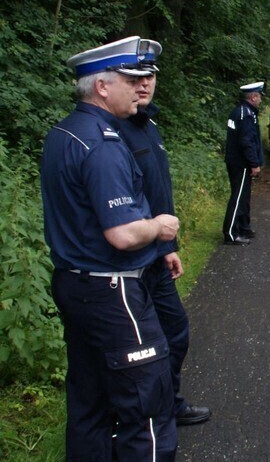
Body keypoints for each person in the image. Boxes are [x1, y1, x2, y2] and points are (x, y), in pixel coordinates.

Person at [41, 36, 179, 460]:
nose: (141, 87)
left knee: (91, 403)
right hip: (112, 291)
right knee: (148, 404)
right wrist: (158, 226)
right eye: (131, 78)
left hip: (75, 283)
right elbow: (120, 234)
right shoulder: (102, 144)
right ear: (103, 86)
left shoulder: (64, 132)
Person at [118, 62, 211, 427]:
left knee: (175, 331)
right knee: (140, 347)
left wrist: (168, 247)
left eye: (150, 78)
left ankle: (167, 405)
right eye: (134, 78)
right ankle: (142, 417)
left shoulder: (147, 126)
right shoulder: (113, 130)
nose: (143, 86)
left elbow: (156, 191)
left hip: (156, 253)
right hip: (130, 262)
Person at [222, 81, 265, 245]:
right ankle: (231, 233)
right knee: (238, 197)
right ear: (253, 97)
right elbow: (246, 141)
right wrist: (254, 163)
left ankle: (243, 227)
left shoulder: (240, 111)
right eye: (259, 96)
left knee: (243, 196)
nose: (260, 99)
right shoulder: (246, 115)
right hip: (241, 163)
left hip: (237, 161)